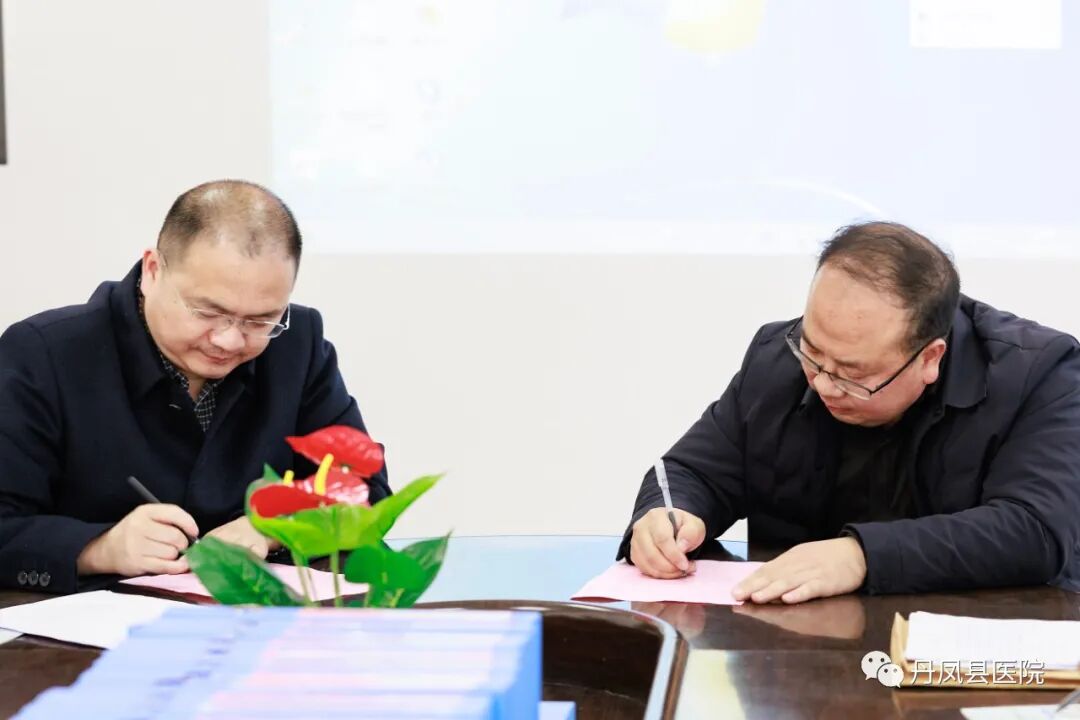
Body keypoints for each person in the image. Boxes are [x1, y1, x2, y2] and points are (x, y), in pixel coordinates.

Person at [620, 221, 1080, 602]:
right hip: (794, 652)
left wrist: (860, 556)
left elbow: (1035, 530)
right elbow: (691, 472)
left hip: (974, 651)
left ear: (930, 358)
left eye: (852, 373)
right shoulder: (777, 359)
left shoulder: (1040, 375)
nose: (822, 382)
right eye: (813, 351)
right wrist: (667, 517)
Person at [0, 180, 389, 594]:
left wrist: (272, 526)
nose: (229, 340)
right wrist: (97, 548)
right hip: (89, 623)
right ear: (153, 271)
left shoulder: (298, 344)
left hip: (257, 617)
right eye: (207, 312)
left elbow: (365, 493)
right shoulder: (45, 354)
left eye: (260, 320)